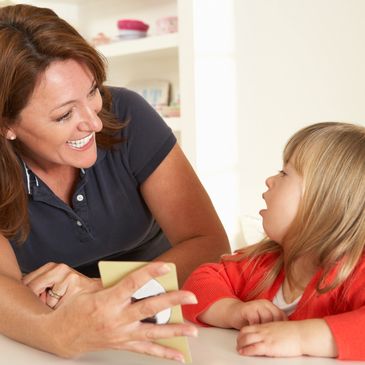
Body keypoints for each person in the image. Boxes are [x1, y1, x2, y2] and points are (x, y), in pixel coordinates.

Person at [0, 3, 230, 359]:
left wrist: (102, 288)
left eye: (93, 91)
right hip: (53, 322)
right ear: (6, 126)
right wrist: (58, 332)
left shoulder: (126, 113)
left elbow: (209, 244)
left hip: (165, 305)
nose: (93, 122)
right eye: (64, 115)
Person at [183, 122, 365, 361]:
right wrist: (232, 310)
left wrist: (300, 337)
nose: (270, 180)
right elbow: (198, 284)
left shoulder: (355, 272)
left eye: (284, 173)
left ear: (325, 202)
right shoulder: (263, 263)